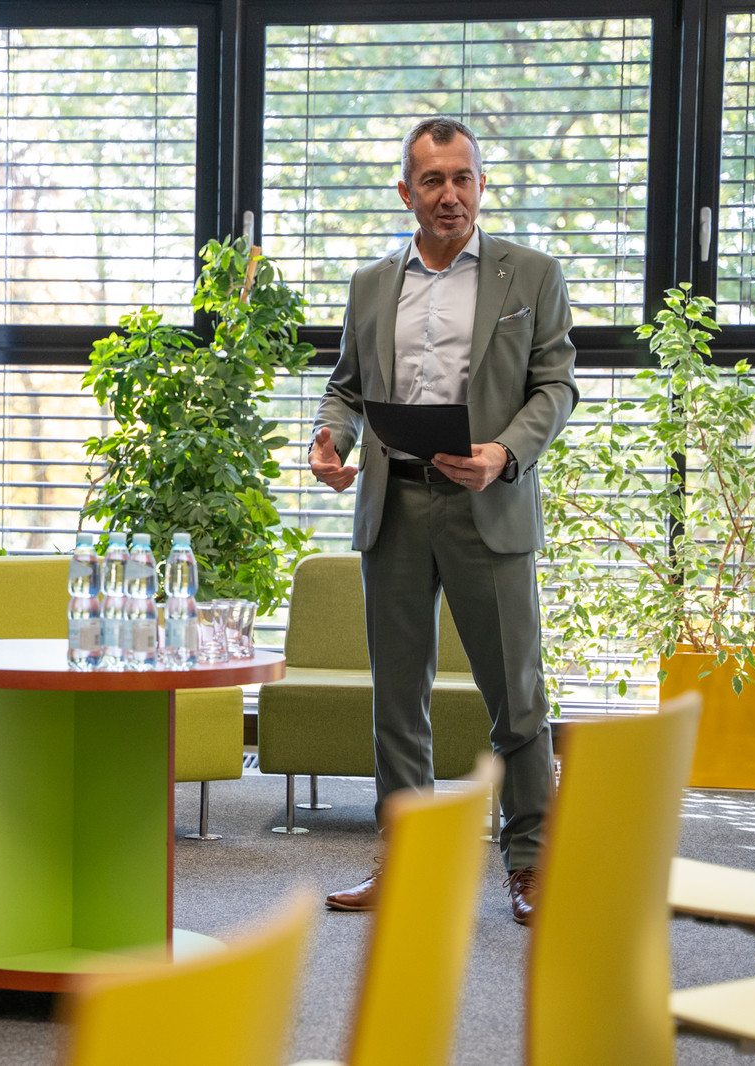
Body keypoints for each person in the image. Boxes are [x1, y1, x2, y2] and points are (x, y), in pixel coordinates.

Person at [307, 117, 578, 926]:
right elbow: (347, 386)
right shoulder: (371, 282)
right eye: (433, 180)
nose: (449, 194)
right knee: (397, 699)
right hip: (393, 504)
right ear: (407, 192)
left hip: (486, 504)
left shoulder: (531, 274)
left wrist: (503, 453)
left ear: (481, 185)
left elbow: (556, 386)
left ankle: (531, 861)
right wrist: (329, 437)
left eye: (462, 178)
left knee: (516, 697)